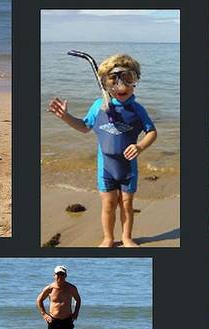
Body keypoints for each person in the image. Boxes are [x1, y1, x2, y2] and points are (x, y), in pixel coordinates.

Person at [48, 53, 157, 247]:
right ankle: (108, 238)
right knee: (108, 204)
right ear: (105, 83)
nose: (121, 87)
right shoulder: (99, 106)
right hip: (105, 167)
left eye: (128, 79)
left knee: (126, 205)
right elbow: (83, 127)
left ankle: (126, 237)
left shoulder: (137, 109)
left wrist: (140, 146)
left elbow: (152, 132)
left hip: (128, 168)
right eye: (113, 81)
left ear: (135, 81)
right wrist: (66, 116)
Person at [36, 265, 81, 329]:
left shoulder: (71, 288)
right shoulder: (50, 288)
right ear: (54, 275)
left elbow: (78, 300)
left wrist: (76, 313)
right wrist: (44, 314)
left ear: (65, 275)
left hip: (67, 320)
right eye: (58, 274)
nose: (60, 276)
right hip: (53, 320)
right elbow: (39, 300)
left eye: (62, 274)